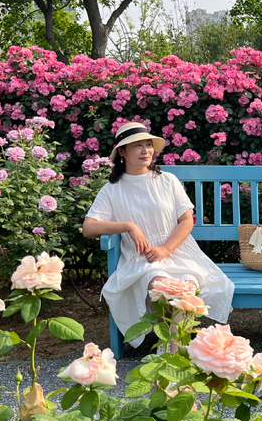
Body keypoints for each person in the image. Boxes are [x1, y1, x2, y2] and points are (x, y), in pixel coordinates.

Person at [82, 121, 234, 350]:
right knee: (162, 287)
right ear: (122, 152)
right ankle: (173, 351)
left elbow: (186, 221)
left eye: (148, 145)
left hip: (178, 253)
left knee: (184, 290)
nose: (145, 151)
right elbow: (89, 228)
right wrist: (128, 226)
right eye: (137, 146)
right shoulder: (112, 190)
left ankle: (174, 350)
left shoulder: (167, 180)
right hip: (142, 260)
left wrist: (165, 249)